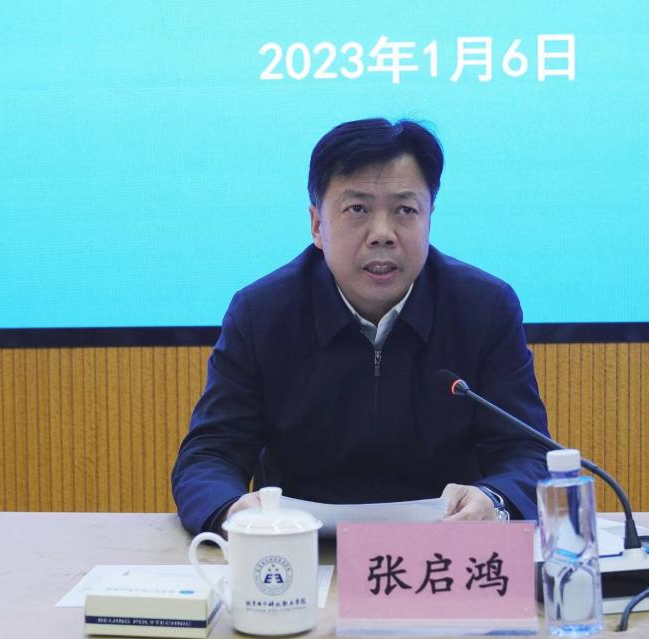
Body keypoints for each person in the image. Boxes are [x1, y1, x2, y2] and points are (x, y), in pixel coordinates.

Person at [171, 118, 550, 535]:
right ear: (318, 225)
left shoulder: (484, 308)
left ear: (429, 218)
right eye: (357, 209)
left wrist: (494, 500)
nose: (382, 234)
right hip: (300, 552)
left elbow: (527, 453)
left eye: (405, 210)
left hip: (443, 551)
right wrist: (232, 509)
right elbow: (209, 455)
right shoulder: (261, 313)